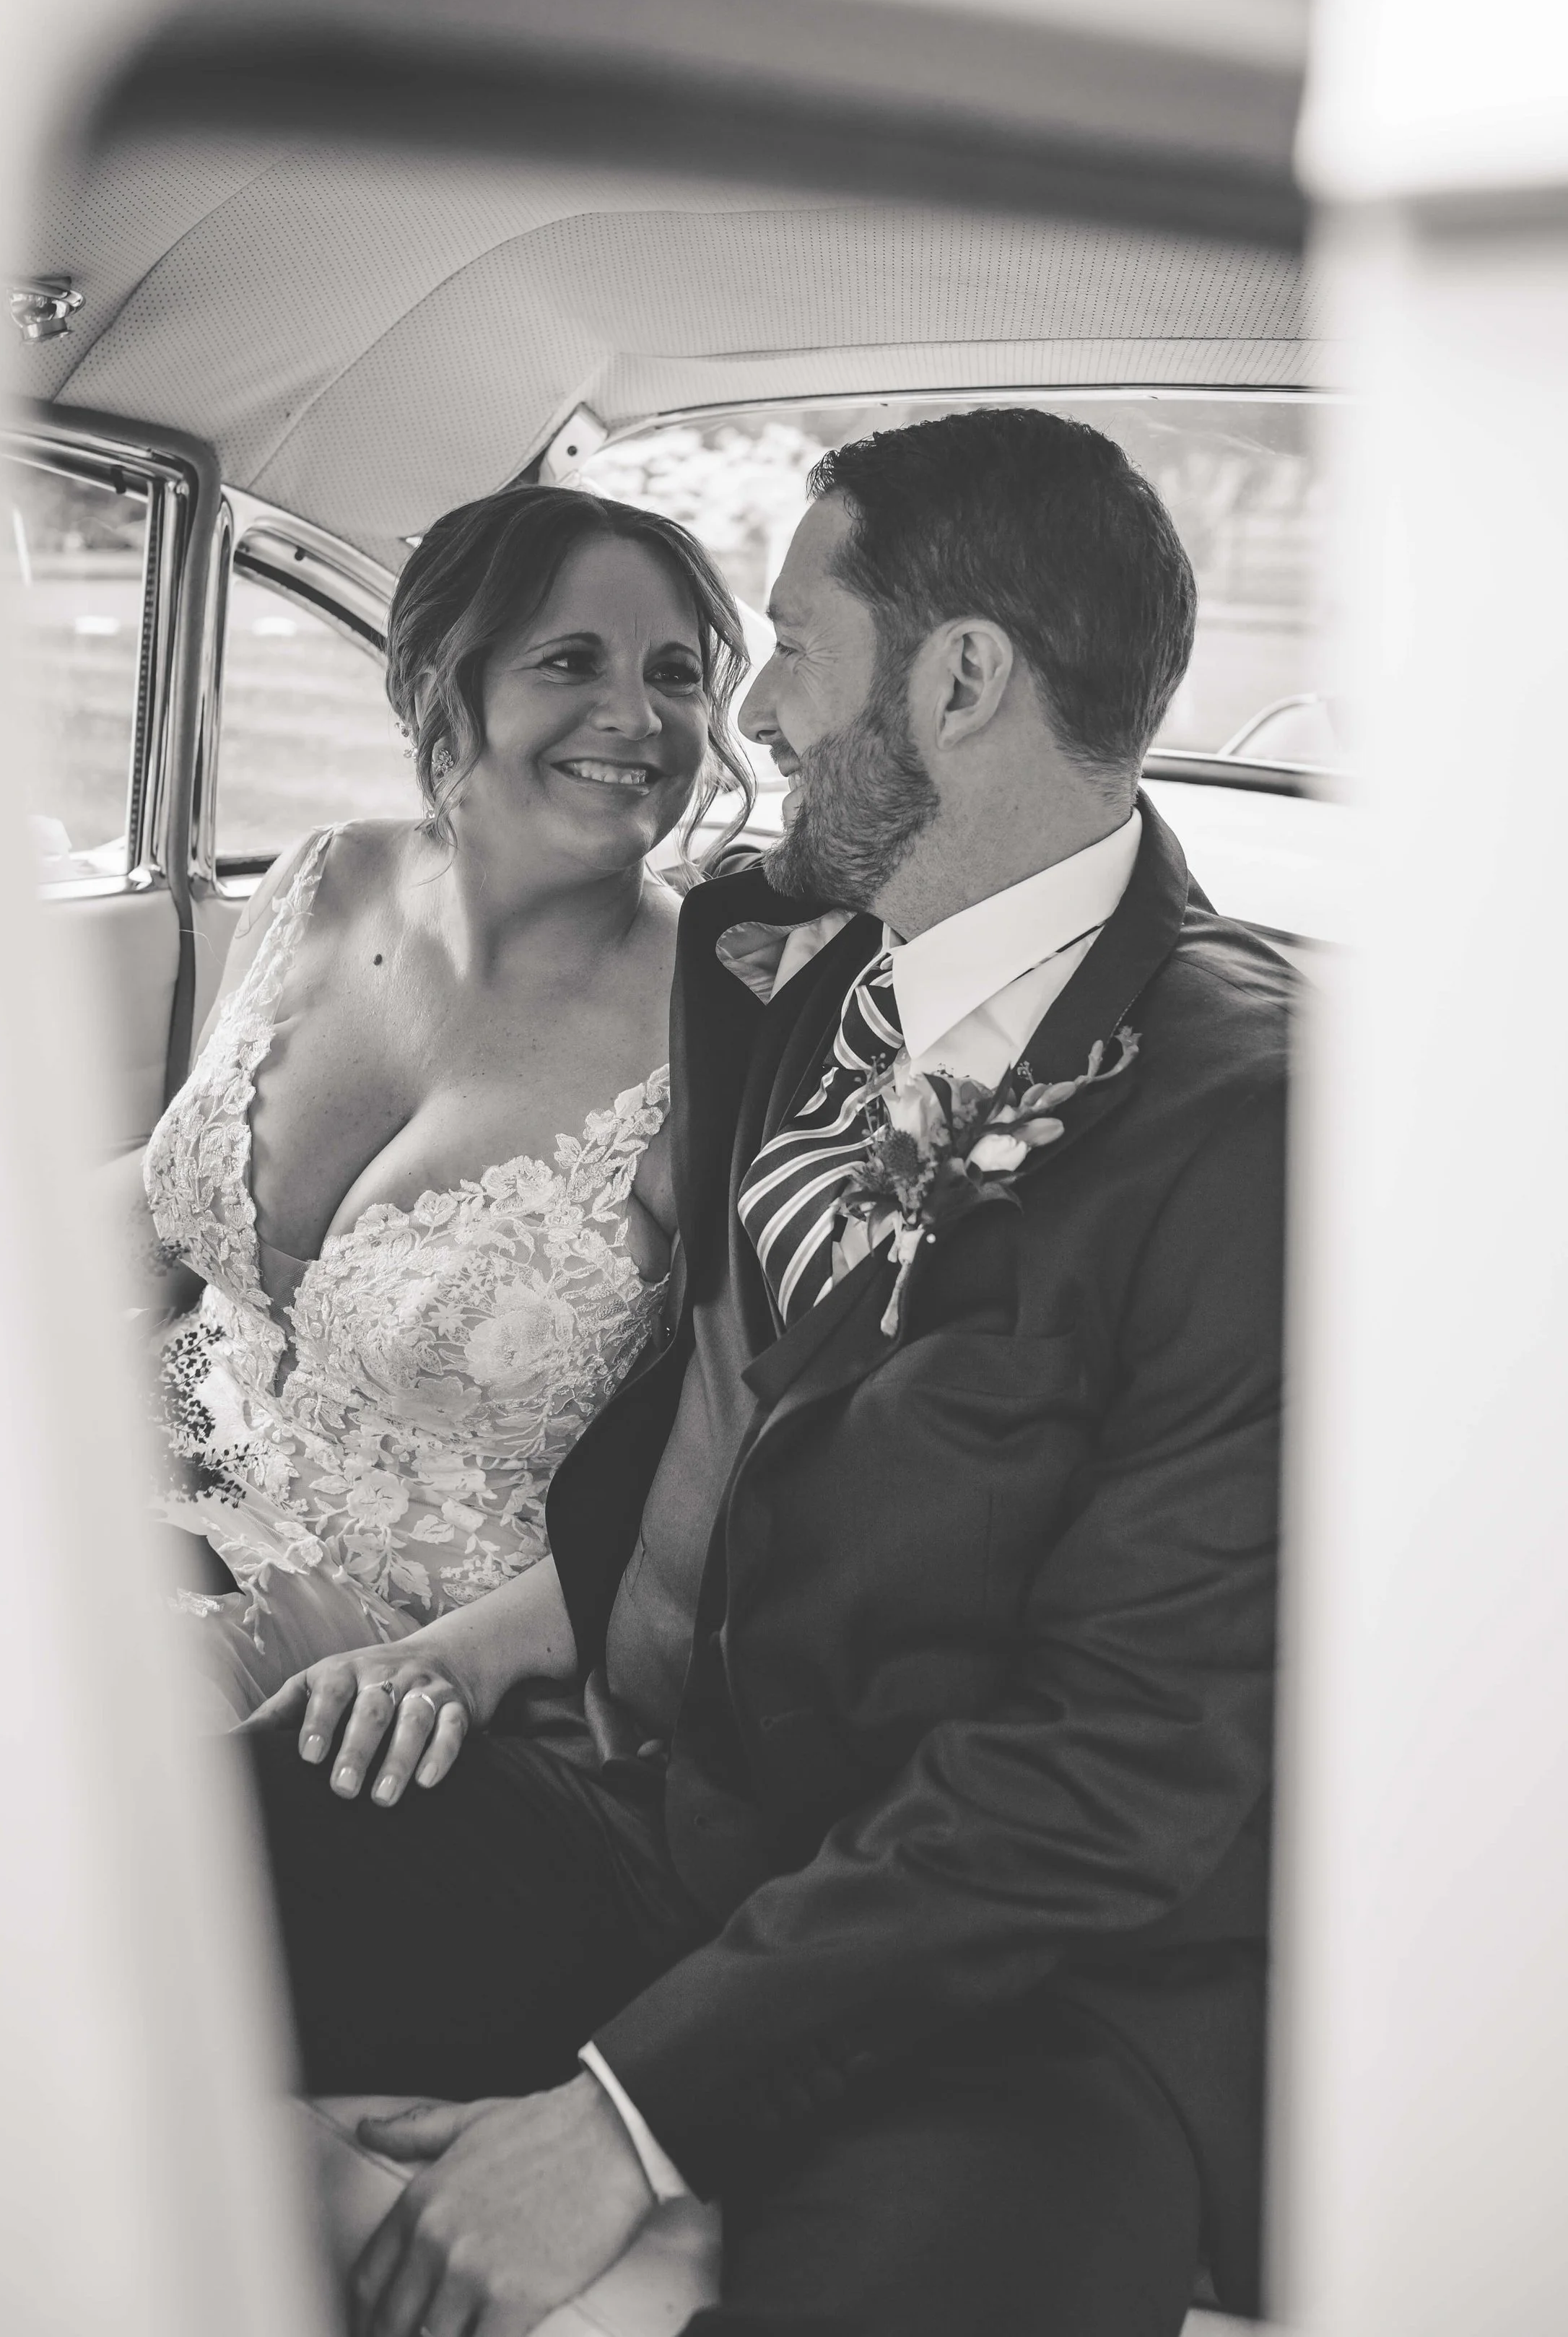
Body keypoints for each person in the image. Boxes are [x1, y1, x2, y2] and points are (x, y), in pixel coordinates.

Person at [242, 409, 1293, 2336]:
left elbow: (1114, 1763)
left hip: (1004, 1977)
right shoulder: (771, 955)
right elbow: (703, 1422)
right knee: (134, 1868)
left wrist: (620, 2120)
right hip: (662, 1833)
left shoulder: (1253, 1115)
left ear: (959, 678)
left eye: (792, 645)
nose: (757, 714)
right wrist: (476, 1648)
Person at [131, 484, 750, 1721]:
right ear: (434, 686)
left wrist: (463, 1661)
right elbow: (167, 1197)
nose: (637, 717)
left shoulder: (714, 1037)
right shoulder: (324, 878)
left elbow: (716, 1486)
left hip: (410, 1654)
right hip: (153, 1476)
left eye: (675, 674)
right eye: (570, 660)